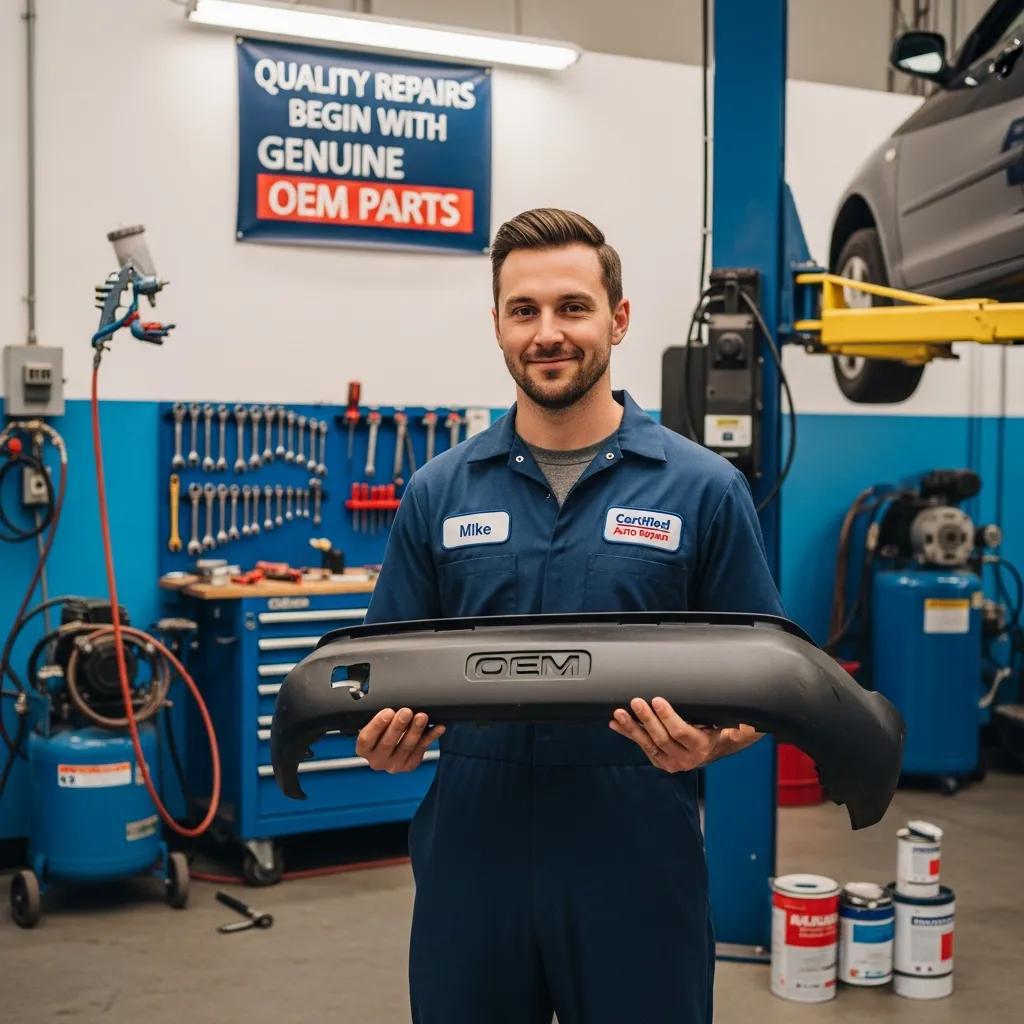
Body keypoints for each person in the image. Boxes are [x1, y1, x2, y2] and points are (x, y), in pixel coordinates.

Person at [357, 208, 784, 1023]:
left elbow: (762, 691)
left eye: (572, 307)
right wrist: (387, 743)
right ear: (497, 325)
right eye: (524, 311)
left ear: (617, 319)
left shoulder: (701, 490)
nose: (547, 333)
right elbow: (387, 680)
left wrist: (711, 741)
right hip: (472, 856)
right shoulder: (438, 492)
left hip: (634, 850)